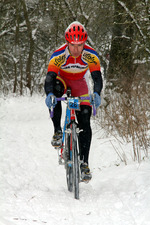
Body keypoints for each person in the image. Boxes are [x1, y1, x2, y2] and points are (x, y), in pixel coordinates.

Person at [44, 21, 103, 180]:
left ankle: (84, 162)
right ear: (67, 43)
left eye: (80, 45)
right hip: (61, 81)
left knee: (85, 120)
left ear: (85, 42)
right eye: (73, 45)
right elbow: (49, 78)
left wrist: (96, 93)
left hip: (79, 84)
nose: (76, 49)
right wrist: (49, 94)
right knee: (55, 91)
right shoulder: (58, 55)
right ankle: (57, 131)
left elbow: (96, 77)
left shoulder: (90, 55)